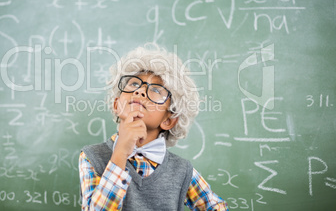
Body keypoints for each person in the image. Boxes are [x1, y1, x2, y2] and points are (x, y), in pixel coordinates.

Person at [79, 43, 228, 210]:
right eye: (134, 84)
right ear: (116, 104)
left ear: (168, 120)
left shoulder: (181, 170)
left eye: (156, 90)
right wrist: (120, 152)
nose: (140, 91)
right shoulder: (92, 157)